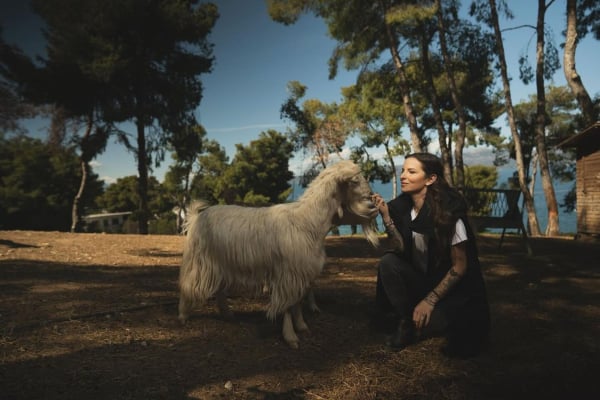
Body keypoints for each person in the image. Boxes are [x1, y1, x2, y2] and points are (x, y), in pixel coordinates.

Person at [371, 153, 490, 358]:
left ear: (430, 179)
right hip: (422, 280)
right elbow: (400, 248)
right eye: (403, 171)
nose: (403, 176)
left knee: (448, 328)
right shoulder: (402, 207)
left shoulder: (449, 212)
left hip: (452, 292)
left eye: (411, 171)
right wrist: (387, 217)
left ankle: (424, 319)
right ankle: (406, 319)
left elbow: (460, 266)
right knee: (388, 261)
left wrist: (430, 300)